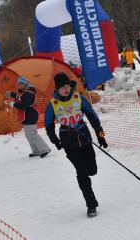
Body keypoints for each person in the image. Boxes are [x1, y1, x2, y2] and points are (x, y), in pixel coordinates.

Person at [44, 72, 108, 218]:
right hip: (68, 141)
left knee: (92, 170)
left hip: (84, 137)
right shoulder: (53, 104)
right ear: (57, 89)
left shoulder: (78, 98)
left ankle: (87, 176)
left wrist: (100, 135)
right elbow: (48, 124)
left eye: (68, 86)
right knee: (82, 173)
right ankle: (91, 205)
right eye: (63, 88)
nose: (66, 90)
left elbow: (92, 116)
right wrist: (55, 140)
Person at [6, 76, 51, 158]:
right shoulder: (25, 92)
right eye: (19, 84)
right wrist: (12, 94)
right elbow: (21, 98)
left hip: (31, 115)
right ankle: (36, 151)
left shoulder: (29, 92)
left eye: (21, 84)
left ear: (26, 84)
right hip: (26, 115)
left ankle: (45, 149)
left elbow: (25, 104)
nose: (20, 85)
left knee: (32, 134)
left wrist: (13, 104)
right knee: (29, 135)